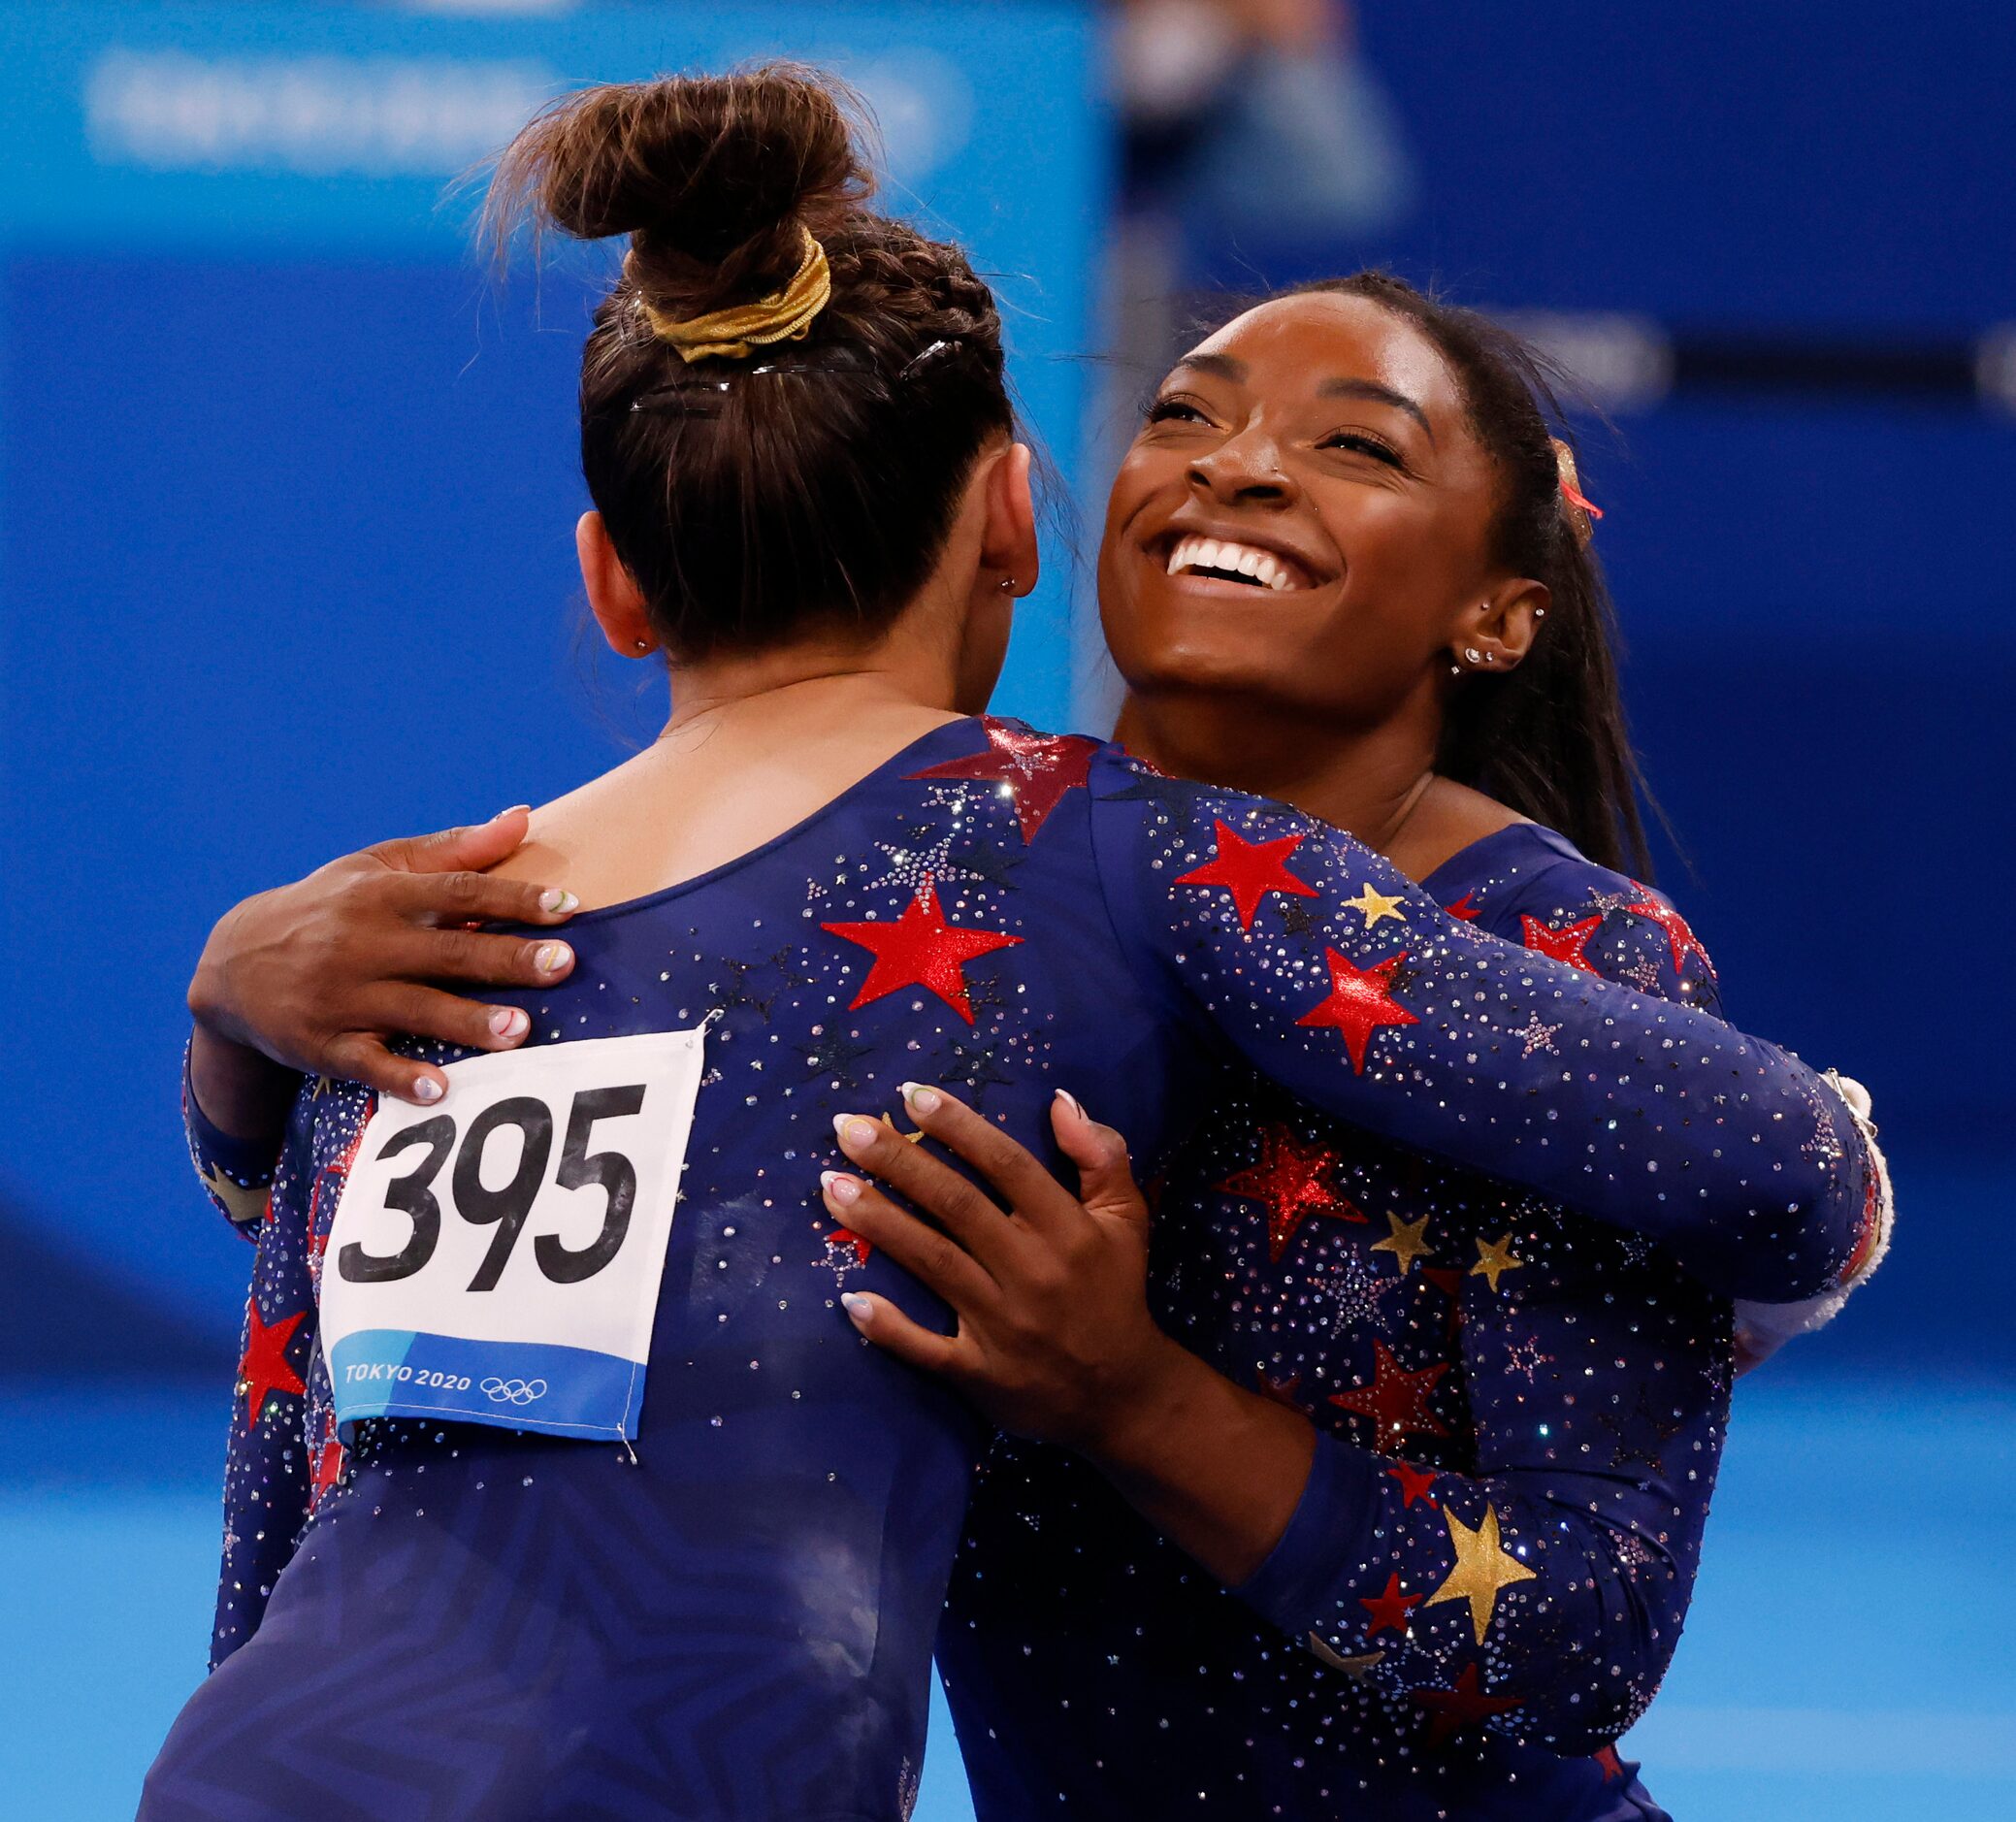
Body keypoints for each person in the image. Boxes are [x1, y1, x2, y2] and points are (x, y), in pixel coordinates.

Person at [161, 75, 1887, 1822]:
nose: (1241, 463)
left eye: (1356, 443)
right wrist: (241, 1002)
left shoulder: (1517, 943)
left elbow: (1582, 1627)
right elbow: (335, 1389)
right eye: (1185, 414)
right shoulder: (1006, 895)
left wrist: (1135, 1398)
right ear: (1024, 521)